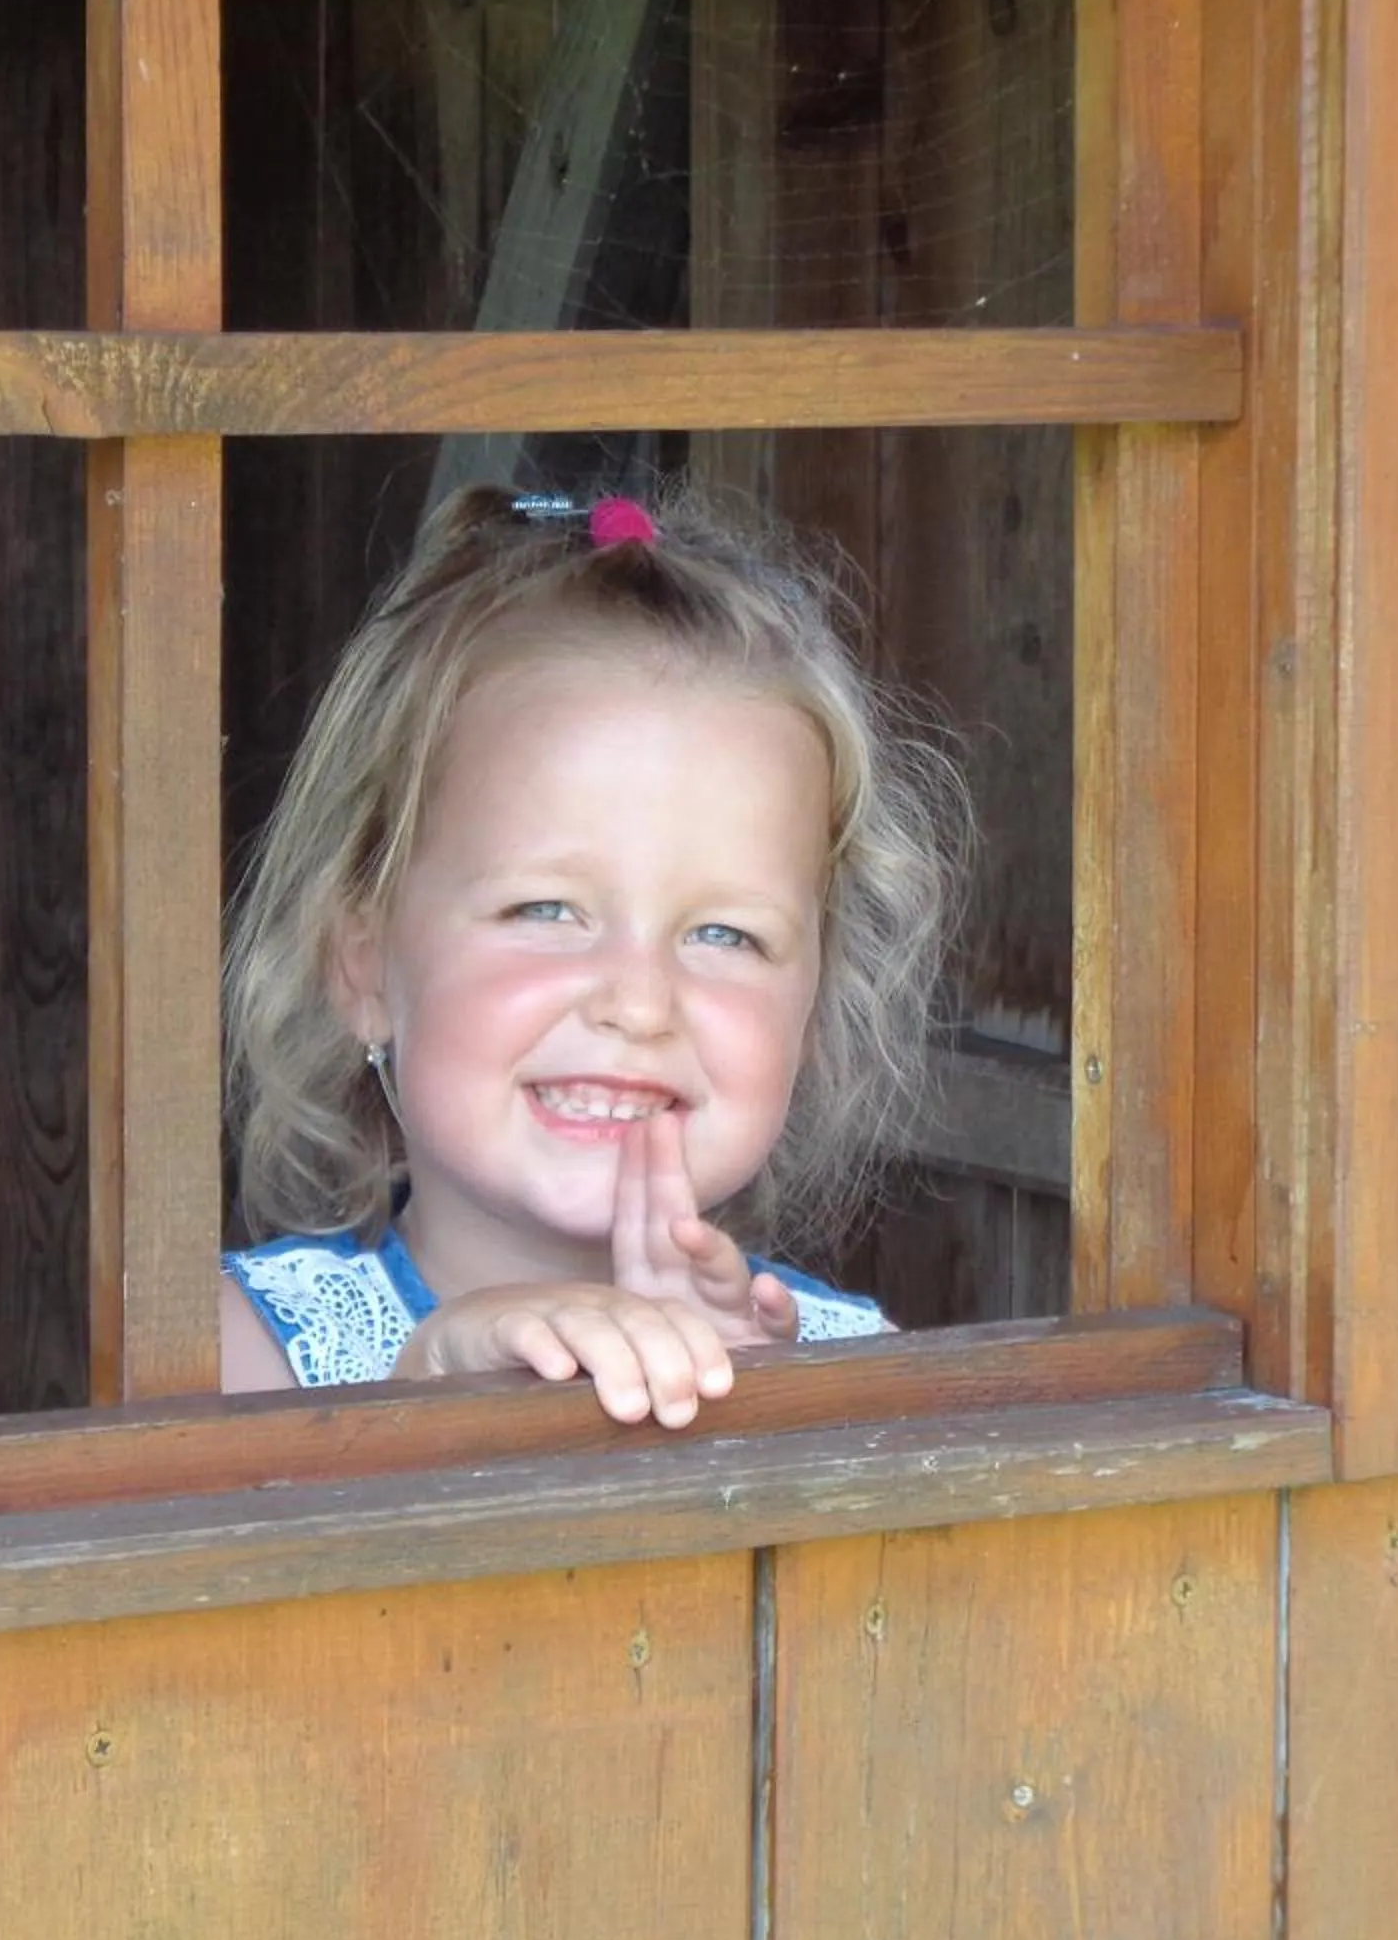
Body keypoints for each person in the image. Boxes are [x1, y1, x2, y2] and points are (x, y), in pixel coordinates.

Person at [219, 485, 965, 1426]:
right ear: (362, 966)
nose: (639, 1002)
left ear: (814, 1006)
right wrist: (419, 1413)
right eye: (548, 908)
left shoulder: (868, 1379)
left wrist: (772, 1433)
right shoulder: (237, 1357)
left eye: (726, 934)